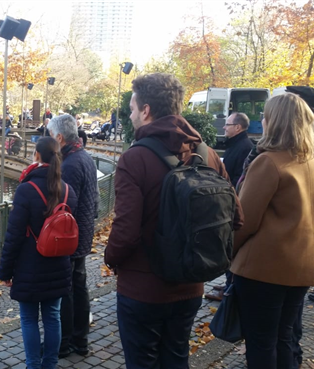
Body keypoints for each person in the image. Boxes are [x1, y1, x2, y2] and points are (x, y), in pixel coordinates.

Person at [104, 73, 243, 368]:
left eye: (131, 108)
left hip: (142, 289)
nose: (130, 116)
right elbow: (237, 217)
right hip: (190, 286)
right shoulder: (208, 155)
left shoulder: (134, 158)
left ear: (146, 110)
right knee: (177, 358)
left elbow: (126, 231)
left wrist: (111, 259)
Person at [232, 92, 314, 369]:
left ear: (275, 121)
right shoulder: (309, 162)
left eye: (265, 115)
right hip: (302, 266)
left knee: (260, 342)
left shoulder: (268, 162)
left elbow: (244, 221)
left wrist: (229, 253)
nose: (262, 119)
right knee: (284, 337)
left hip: (265, 269)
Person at [0, 137, 77, 369]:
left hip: (29, 267)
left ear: (36, 155)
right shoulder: (67, 190)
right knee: (53, 317)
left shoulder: (26, 189)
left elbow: (13, 235)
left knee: (29, 318)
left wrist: (5, 271)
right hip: (59, 265)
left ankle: (33, 365)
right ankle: (50, 365)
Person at [284, 85, 314, 369]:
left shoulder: (310, 135)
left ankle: (292, 357)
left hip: (293, 232)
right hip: (302, 231)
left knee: (289, 320)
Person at [47, 114, 99, 358]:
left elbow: (63, 208)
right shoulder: (84, 157)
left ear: (59, 138)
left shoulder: (70, 164)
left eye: (50, 136)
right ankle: (80, 341)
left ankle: (64, 344)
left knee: (66, 291)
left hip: (70, 238)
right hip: (83, 234)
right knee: (79, 288)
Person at [205, 112, 254, 301]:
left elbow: (239, 178)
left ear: (238, 127)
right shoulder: (237, 145)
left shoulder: (244, 147)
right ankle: (227, 283)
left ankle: (229, 287)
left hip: (232, 201)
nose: (224, 127)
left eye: (228, 124)